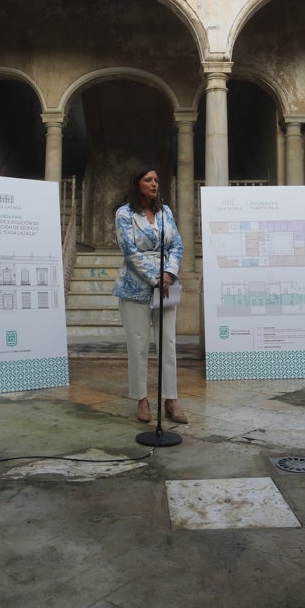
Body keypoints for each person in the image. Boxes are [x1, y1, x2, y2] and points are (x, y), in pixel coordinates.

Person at [112, 165, 187, 425]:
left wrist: (168, 273)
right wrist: (154, 277)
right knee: (138, 344)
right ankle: (142, 399)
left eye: (156, 179)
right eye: (148, 180)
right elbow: (130, 252)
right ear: (137, 184)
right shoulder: (124, 214)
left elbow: (177, 244)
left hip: (167, 285)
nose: (155, 184)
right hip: (135, 287)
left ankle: (171, 399)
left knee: (168, 343)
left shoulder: (165, 212)